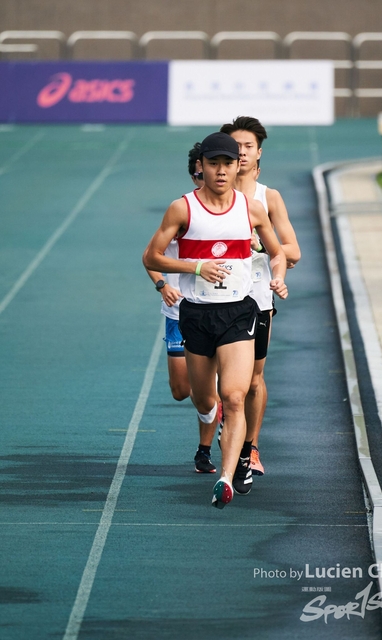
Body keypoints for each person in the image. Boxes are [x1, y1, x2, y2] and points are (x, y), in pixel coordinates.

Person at [143, 132, 288, 509]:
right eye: (213, 164)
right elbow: (152, 257)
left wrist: (279, 276)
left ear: (237, 166)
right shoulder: (182, 209)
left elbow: (278, 252)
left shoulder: (252, 209)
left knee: (235, 396)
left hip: (239, 312)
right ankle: (215, 426)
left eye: (228, 164)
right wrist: (196, 267)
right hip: (195, 313)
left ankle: (227, 474)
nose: (221, 171)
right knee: (203, 398)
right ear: (202, 167)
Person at [219, 116, 301, 479]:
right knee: (218, 381)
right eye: (234, 146)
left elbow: (293, 251)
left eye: (247, 146)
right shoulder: (213, 195)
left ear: (258, 152)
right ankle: (225, 421)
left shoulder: (268, 198)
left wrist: (260, 246)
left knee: (252, 379)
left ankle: (249, 447)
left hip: (256, 297)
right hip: (215, 298)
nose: (241, 151)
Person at [143, 143, 217, 474]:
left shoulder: (235, 211)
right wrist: (163, 285)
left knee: (222, 391)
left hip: (222, 311)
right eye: (201, 174)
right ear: (194, 174)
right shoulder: (182, 211)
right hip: (179, 314)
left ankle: (205, 448)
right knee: (181, 391)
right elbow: (150, 257)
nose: (208, 179)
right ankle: (214, 406)